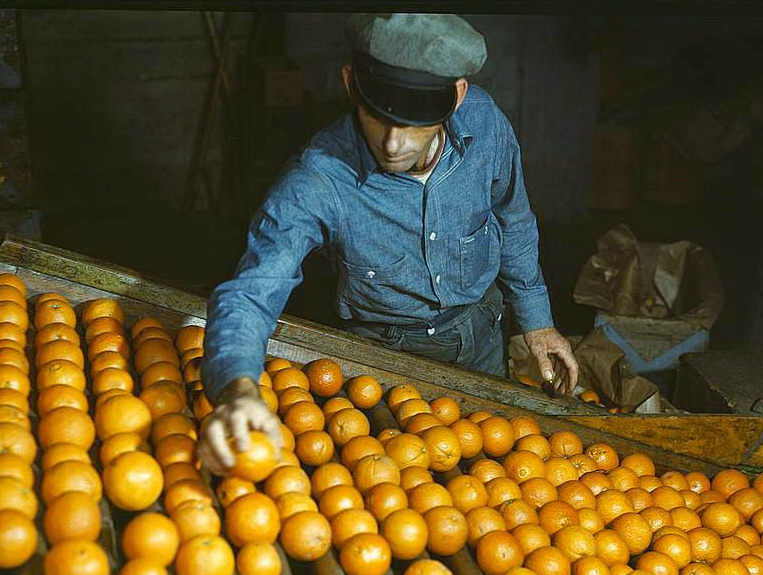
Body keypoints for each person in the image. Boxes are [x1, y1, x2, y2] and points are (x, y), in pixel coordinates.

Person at [199, 13, 578, 473]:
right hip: (380, 363)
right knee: (390, 487)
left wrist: (536, 321)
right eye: (377, 115)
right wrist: (237, 387)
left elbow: (512, 218)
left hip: (480, 342)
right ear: (350, 84)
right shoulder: (320, 179)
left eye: (415, 121)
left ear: (456, 97)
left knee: (486, 480)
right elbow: (253, 290)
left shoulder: (487, 126)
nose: (394, 143)